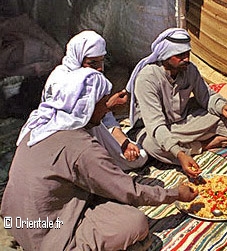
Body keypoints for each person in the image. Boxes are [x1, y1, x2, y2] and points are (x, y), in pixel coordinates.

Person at [0, 61, 198, 250]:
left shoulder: (39, 125)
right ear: (87, 106)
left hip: (15, 220)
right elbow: (129, 191)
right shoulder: (82, 147)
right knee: (134, 223)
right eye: (104, 103)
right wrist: (175, 194)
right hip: (46, 236)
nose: (107, 109)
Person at [125, 28, 227, 177]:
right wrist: (180, 154)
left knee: (223, 118)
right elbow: (155, 124)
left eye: (187, 54)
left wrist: (222, 107)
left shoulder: (189, 70)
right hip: (154, 128)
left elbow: (206, 96)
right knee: (151, 145)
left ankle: (184, 146)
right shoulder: (147, 78)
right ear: (165, 55)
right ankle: (201, 146)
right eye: (180, 55)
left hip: (183, 122)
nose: (186, 59)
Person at [42, 30, 148, 170]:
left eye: (101, 62)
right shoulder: (60, 80)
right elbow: (75, 123)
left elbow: (107, 120)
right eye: (92, 63)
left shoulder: (94, 81)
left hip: (91, 131)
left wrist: (124, 143)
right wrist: (108, 105)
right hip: (68, 138)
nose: (99, 68)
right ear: (78, 59)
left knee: (140, 156)